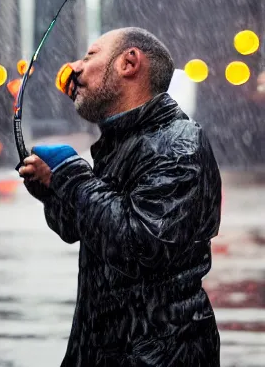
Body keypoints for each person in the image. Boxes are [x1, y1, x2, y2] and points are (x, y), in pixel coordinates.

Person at [19, 27, 221, 366]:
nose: (75, 68)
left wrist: (72, 175)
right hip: (101, 348)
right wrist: (52, 192)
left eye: (90, 55)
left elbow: (140, 245)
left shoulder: (178, 143)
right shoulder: (120, 144)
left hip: (159, 357)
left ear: (129, 63)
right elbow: (86, 230)